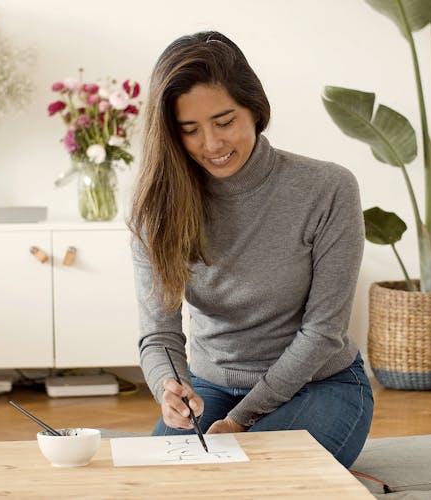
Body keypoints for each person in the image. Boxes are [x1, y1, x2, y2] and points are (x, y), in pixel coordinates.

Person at [128, 31, 373, 468]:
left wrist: (242, 420)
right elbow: (159, 334)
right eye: (190, 130)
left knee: (254, 480)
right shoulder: (156, 207)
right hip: (210, 387)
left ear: (255, 110)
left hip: (322, 383)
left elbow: (323, 332)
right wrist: (170, 385)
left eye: (225, 122)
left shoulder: (328, 188)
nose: (212, 144)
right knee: (166, 485)